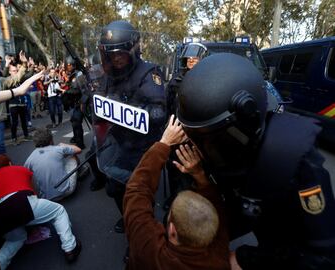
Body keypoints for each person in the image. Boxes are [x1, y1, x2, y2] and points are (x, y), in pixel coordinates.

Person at [176, 53, 335, 269]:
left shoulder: (294, 161)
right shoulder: (229, 148)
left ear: (246, 121)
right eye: (201, 139)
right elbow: (243, 210)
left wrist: (247, 259)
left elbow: (322, 256)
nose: (207, 150)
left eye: (215, 139)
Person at [124, 115, 230, 269]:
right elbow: (219, 211)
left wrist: (164, 142)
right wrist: (199, 174)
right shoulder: (220, 259)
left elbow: (137, 190)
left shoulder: (149, 252)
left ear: (172, 230)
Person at [94, 20, 166, 233]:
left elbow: (159, 111)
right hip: (118, 141)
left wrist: (129, 110)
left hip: (142, 145)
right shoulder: (109, 75)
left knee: (140, 193)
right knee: (114, 187)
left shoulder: (149, 73)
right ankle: (128, 217)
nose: (116, 58)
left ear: (132, 49)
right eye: (111, 53)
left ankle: (142, 232)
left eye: (121, 52)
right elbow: (101, 99)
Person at [0, 154, 81, 270]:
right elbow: (34, 192)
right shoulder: (20, 169)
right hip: (20, 202)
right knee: (58, 211)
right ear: (9, 163)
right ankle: (70, 248)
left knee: (17, 238)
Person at [164, 42, 209, 210]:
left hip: (197, 133)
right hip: (177, 130)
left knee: (193, 167)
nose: (191, 60)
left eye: (195, 58)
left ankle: (193, 199)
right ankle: (174, 197)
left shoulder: (208, 79)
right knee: (173, 166)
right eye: (189, 58)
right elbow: (167, 105)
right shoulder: (176, 80)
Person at [24, 128, 81, 201]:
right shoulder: (58, 149)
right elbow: (78, 150)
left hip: (45, 198)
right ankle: (79, 172)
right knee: (73, 156)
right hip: (66, 191)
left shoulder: (30, 158)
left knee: (31, 175)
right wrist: (64, 145)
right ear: (51, 140)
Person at [63, 57, 85, 149]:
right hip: (73, 103)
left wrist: (66, 92)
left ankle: (80, 143)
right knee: (74, 122)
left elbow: (78, 90)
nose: (67, 67)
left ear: (71, 65)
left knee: (77, 123)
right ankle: (76, 137)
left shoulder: (78, 75)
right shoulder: (73, 74)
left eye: (68, 65)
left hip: (79, 103)